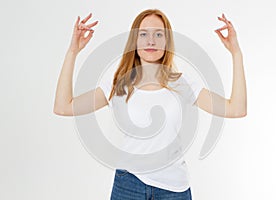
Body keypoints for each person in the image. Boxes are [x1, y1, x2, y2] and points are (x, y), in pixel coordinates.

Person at [53, 9, 247, 200]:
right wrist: (72, 52)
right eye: (143, 34)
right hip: (128, 185)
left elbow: (236, 109)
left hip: (174, 189)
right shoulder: (118, 84)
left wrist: (236, 53)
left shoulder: (183, 83)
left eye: (158, 34)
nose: (151, 40)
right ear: (134, 41)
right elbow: (63, 107)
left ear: (166, 42)